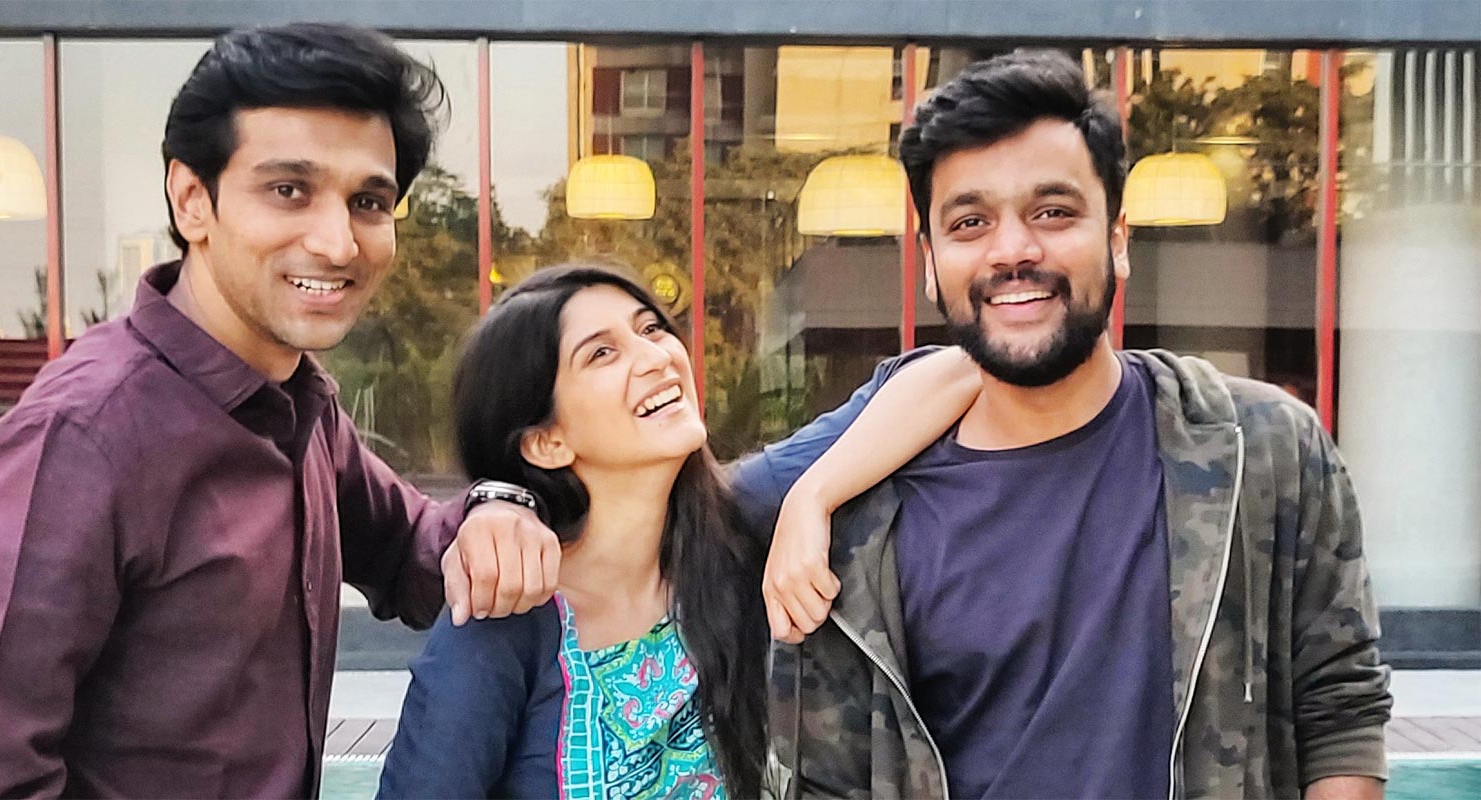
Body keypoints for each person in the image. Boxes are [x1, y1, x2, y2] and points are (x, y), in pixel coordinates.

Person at [0, 24, 560, 799]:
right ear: (192, 200)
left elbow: (415, 554)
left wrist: (502, 506)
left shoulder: (300, 406)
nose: (338, 243)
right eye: (289, 191)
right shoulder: (86, 436)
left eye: (368, 202)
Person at [752, 51, 1393, 799]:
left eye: (1053, 213)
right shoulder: (864, 521)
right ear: (930, 261)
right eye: (970, 222)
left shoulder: (1265, 449)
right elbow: (825, 774)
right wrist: (809, 496)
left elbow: (1340, 709)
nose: (1013, 251)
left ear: (1118, 238)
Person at [376, 265, 981, 799]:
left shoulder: (741, 514)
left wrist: (813, 497)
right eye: (602, 354)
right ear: (546, 442)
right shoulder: (505, 614)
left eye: (651, 329)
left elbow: (956, 370)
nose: (656, 356)